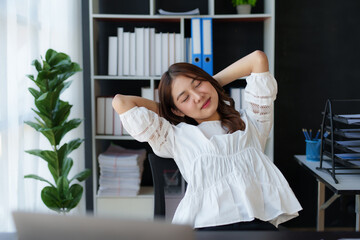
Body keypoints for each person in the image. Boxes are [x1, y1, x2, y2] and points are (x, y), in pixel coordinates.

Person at [112, 50, 302, 231]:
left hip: (256, 226)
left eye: (198, 84)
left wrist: (212, 84)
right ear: (176, 110)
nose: (198, 97)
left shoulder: (253, 121)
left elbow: (257, 59)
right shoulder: (175, 137)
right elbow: (121, 102)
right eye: (185, 98)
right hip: (206, 228)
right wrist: (172, 112)